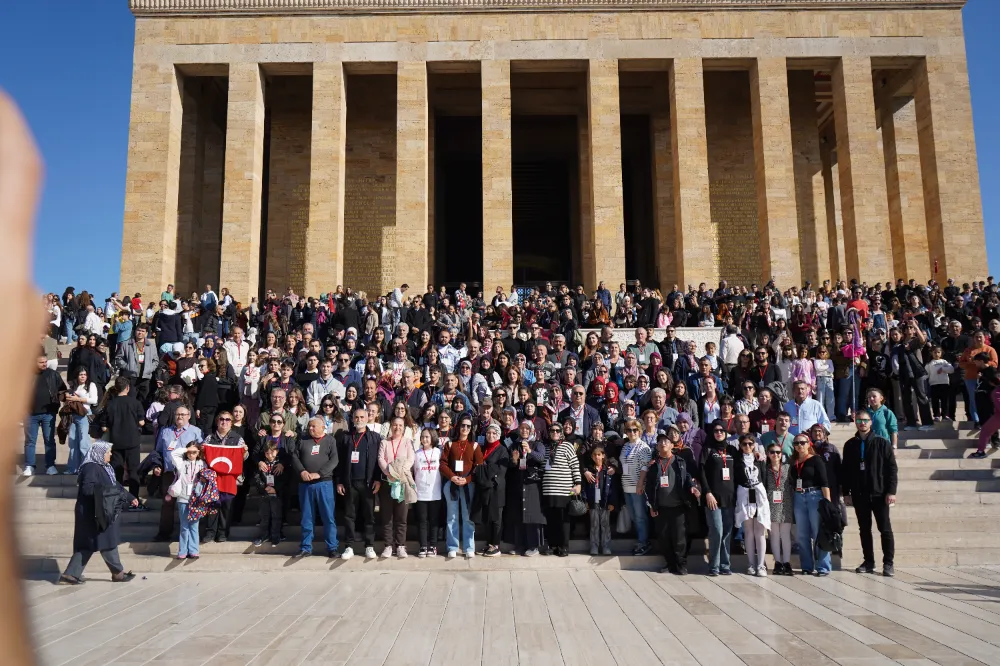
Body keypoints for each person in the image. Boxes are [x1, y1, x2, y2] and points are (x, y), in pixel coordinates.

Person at [58, 442, 137, 584]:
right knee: (101, 541)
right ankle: (117, 573)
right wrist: (107, 491)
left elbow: (116, 486)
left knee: (100, 541)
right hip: (92, 513)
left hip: (101, 512)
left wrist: (130, 497)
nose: (110, 454)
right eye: (108, 452)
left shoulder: (105, 468)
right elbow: (87, 489)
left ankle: (71, 574)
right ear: (99, 453)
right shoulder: (91, 468)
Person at [842, 408, 898, 576]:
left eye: (865, 420)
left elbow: (892, 469)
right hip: (860, 494)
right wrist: (846, 492)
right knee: (864, 529)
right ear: (855, 422)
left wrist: (891, 491)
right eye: (859, 420)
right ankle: (869, 561)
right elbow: (846, 471)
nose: (862, 423)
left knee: (885, 529)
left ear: (871, 422)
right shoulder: (850, 444)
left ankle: (888, 563)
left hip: (880, 493)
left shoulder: (882, 442)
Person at [644, 433, 700, 574]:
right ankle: (669, 564)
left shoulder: (679, 461)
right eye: (660, 442)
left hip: (678, 507)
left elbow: (686, 477)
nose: (663, 443)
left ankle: (681, 565)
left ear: (671, 445)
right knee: (663, 537)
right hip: (661, 507)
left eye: (666, 441)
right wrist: (651, 505)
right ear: (656, 447)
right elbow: (649, 487)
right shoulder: (654, 464)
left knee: (679, 538)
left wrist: (692, 487)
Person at [151, 406, 203, 542]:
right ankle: (164, 533)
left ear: (189, 416)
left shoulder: (196, 432)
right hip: (169, 473)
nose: (180, 417)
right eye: (177, 414)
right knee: (168, 503)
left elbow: (201, 453)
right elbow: (158, 452)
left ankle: (191, 536)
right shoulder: (165, 431)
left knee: (190, 504)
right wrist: (157, 465)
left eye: (183, 414)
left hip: (189, 474)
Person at [337, 406, 382, 560]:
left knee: (369, 515)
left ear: (368, 418)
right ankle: (349, 546)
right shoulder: (346, 437)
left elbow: (378, 461)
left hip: (368, 483)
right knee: (349, 515)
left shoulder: (375, 437)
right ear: (352, 419)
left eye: (362, 417)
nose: (359, 420)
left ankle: (369, 546)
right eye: (356, 417)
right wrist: (340, 482)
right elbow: (341, 462)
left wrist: (377, 479)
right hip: (350, 483)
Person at [293, 417, 339, 558]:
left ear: (322, 427)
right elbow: (295, 456)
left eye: (313, 426)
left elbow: (334, 460)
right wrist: (302, 471)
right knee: (307, 517)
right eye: (309, 426)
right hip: (305, 485)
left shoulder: (330, 440)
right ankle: (306, 547)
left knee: (328, 517)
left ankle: (332, 547)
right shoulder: (302, 439)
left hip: (324, 484)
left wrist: (319, 474)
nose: (310, 428)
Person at [200, 411, 248, 543]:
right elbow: (203, 458)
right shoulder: (209, 438)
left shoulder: (238, 439)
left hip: (229, 479)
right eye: (221, 419)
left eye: (228, 419)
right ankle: (210, 532)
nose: (224, 422)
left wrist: (245, 451)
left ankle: (222, 533)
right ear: (217, 421)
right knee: (213, 506)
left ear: (231, 423)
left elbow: (243, 458)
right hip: (213, 479)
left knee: (226, 507)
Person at [440, 414, 483, 559]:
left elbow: (479, 467)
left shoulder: (475, 446)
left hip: (468, 485)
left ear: (471, 429)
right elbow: (443, 464)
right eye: (463, 425)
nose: (465, 428)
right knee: (451, 517)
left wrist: (468, 479)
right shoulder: (450, 444)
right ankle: (452, 546)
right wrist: (452, 477)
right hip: (451, 484)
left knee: (467, 517)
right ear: (458, 427)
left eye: (468, 426)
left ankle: (468, 547)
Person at [790, 433, 832, 576]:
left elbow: (825, 482)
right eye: (796, 443)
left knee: (817, 532)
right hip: (798, 496)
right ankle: (807, 566)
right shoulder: (794, 462)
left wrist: (827, 502)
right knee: (802, 534)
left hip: (815, 496)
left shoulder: (816, 460)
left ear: (809, 444)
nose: (799, 446)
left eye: (802, 442)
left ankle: (823, 567)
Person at [700, 419, 738, 576]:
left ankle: (725, 564)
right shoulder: (707, 450)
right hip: (712, 498)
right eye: (716, 431)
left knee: (727, 532)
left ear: (726, 432)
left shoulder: (732, 450)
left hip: (729, 498)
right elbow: (701, 472)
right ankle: (713, 566)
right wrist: (707, 492)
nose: (719, 433)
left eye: (721, 430)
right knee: (717, 530)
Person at [505, 420, 548, 557]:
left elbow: (541, 458)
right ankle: (519, 545)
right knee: (518, 515)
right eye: (522, 428)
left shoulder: (538, 444)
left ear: (531, 431)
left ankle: (533, 546)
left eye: (527, 429)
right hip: (518, 483)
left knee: (532, 516)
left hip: (532, 484)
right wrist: (514, 461)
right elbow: (510, 466)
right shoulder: (514, 445)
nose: (524, 431)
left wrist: (529, 451)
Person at [102, 376, 146, 502]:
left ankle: (117, 499)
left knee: (117, 471)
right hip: (132, 442)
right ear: (128, 388)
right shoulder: (135, 403)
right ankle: (134, 499)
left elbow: (104, 427)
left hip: (116, 442)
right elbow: (142, 422)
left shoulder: (110, 404)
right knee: (133, 471)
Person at [378, 415, 416, 558]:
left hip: (402, 481)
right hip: (388, 482)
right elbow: (381, 459)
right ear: (391, 426)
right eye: (395, 425)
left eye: (400, 425)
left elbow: (410, 459)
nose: (397, 428)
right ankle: (388, 545)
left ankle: (400, 545)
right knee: (387, 516)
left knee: (401, 516)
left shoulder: (407, 442)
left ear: (404, 428)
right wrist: (389, 473)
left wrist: (399, 474)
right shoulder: (384, 442)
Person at [23, 353, 66, 477]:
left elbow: (62, 390)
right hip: (30, 414)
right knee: (30, 441)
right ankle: (30, 466)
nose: (44, 364)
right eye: (41, 362)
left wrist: (59, 403)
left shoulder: (53, 374)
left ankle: (50, 466)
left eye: (45, 362)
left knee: (49, 440)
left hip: (49, 414)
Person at [735, 433, 771, 576]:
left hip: (759, 496)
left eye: (751, 444)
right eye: (745, 444)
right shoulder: (737, 461)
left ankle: (761, 564)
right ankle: (750, 563)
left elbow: (765, 477)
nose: (748, 446)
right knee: (749, 532)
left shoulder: (760, 460)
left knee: (760, 531)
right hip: (744, 495)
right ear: (740, 446)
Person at [471, 422, 510, 557]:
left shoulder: (502, 450)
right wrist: (484, 469)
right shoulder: (483, 449)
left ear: (498, 435)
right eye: (488, 433)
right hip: (484, 489)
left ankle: (496, 545)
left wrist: (484, 469)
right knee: (487, 517)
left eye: (494, 433)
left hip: (496, 489)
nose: (491, 435)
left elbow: (500, 470)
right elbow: (476, 467)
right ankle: (489, 544)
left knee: (496, 518)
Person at [166, 440, 205, 560]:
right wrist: (186, 449)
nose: (191, 454)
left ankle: (193, 550)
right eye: (189, 452)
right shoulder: (181, 463)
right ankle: (183, 550)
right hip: (183, 498)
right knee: (184, 525)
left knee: (194, 525)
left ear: (198, 452)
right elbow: (173, 454)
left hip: (196, 499)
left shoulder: (203, 464)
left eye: (194, 452)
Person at [619, 418, 653, 556]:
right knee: (633, 516)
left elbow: (645, 467)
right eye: (629, 430)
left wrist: (640, 483)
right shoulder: (626, 446)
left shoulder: (643, 447)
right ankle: (641, 540)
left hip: (638, 486)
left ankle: (644, 542)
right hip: (626, 485)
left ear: (639, 431)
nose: (632, 432)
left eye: (634, 430)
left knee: (640, 516)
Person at [762, 440, 795, 575]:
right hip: (771, 505)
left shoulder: (788, 468)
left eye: (778, 452)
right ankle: (778, 562)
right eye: (772, 452)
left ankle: (786, 562)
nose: (775, 455)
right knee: (774, 535)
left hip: (786, 503)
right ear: (768, 454)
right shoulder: (765, 469)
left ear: (782, 454)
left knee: (786, 535)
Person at [583, 443, 618, 556]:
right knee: (594, 524)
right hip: (593, 501)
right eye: (594, 455)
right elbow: (584, 487)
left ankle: (606, 546)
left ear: (603, 456)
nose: (597, 457)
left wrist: (612, 502)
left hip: (605, 501)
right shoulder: (589, 471)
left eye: (599, 455)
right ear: (592, 457)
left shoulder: (608, 471)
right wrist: (586, 501)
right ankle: (594, 546)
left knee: (605, 525)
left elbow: (613, 488)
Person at [413, 427, 443, 558]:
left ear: (432, 438)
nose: (424, 439)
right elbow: (414, 471)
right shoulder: (417, 453)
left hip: (435, 492)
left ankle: (433, 546)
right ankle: (423, 545)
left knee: (434, 520)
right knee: (422, 521)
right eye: (423, 437)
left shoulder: (438, 452)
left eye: (427, 437)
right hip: (420, 492)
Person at [63, 366, 97, 475]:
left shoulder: (91, 385)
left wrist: (78, 399)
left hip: (84, 415)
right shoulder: (73, 386)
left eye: (84, 374)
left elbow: (94, 400)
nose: (83, 377)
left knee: (84, 443)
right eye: (80, 374)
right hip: (73, 415)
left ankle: (86, 469)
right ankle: (72, 468)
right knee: (73, 442)